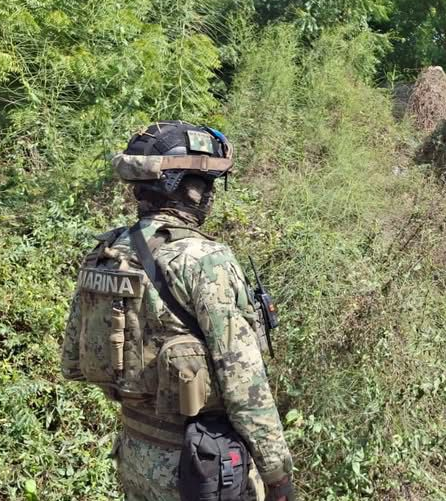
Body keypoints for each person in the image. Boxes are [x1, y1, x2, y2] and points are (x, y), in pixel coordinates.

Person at [61, 121, 296, 501]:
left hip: (135, 455)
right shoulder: (204, 260)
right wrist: (277, 475)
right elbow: (243, 383)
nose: (209, 197)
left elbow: (74, 357)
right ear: (189, 189)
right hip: (200, 467)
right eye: (207, 186)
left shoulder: (108, 252)